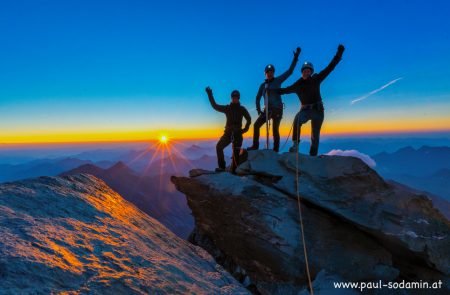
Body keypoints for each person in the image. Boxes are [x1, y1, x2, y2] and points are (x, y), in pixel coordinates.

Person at [278, 44, 345, 156]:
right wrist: (272, 90)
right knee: (297, 119)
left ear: (311, 72)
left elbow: (330, 68)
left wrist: (339, 53)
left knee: (315, 135)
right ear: (302, 72)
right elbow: (285, 90)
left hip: (318, 111)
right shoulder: (298, 84)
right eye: (305, 70)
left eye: (308, 71)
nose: (306, 72)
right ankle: (295, 145)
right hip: (306, 111)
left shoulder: (316, 79)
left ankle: (313, 156)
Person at [247, 47, 301, 152]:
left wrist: (295, 57)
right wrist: (258, 110)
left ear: (273, 72)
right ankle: (255, 146)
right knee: (256, 125)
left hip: (277, 109)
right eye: (268, 72)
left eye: (271, 71)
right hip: (267, 110)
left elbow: (290, 72)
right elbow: (257, 98)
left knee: (275, 130)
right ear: (265, 73)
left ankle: (275, 150)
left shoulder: (278, 80)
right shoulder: (263, 85)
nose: (270, 73)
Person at [206, 87, 251, 173]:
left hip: (237, 134)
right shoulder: (227, 108)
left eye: (236, 97)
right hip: (228, 133)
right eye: (233, 97)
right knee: (219, 147)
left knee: (236, 154)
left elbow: (249, 119)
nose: (235, 99)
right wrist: (210, 94)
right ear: (231, 98)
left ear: (238, 98)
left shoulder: (242, 109)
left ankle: (235, 171)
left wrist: (244, 130)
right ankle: (222, 168)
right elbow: (215, 106)